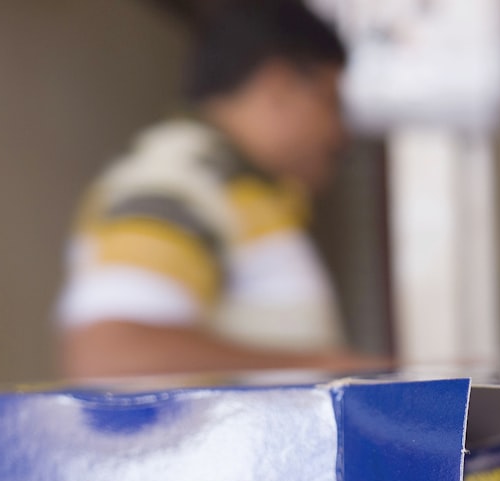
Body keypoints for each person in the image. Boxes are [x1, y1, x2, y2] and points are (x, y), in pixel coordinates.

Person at [55, 0, 386, 379]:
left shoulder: (234, 186)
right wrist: (322, 365)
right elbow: (108, 353)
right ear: (278, 85)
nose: (339, 133)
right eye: (330, 101)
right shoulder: (178, 178)